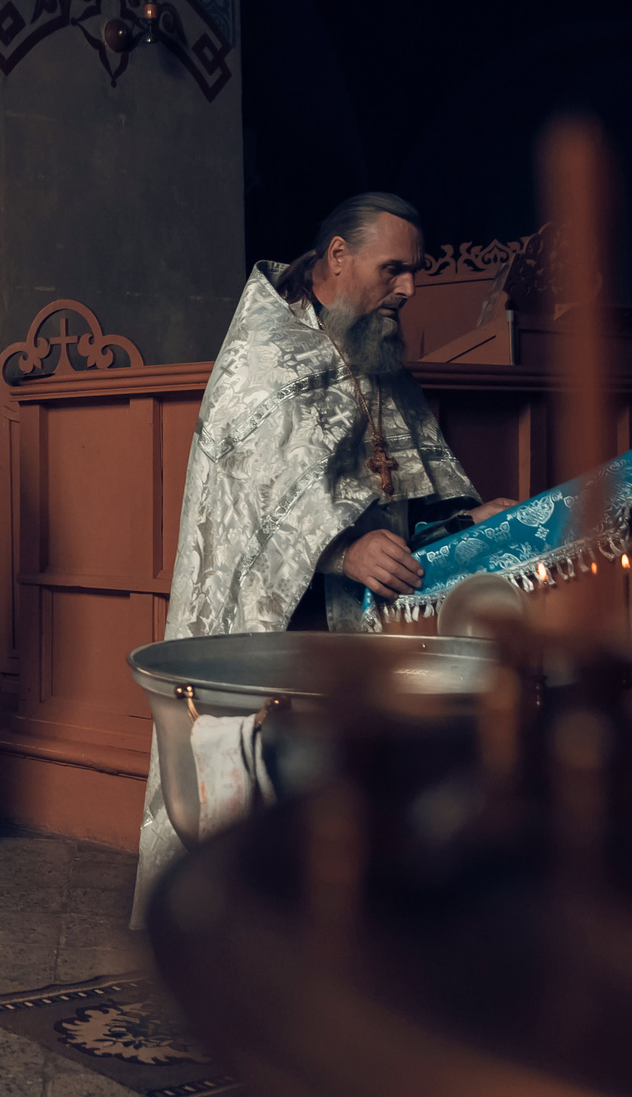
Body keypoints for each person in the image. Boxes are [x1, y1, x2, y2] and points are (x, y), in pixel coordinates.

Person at [133, 192, 516, 923]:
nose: (407, 288)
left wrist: (467, 518)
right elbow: (245, 514)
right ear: (338, 255)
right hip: (276, 632)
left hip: (364, 634)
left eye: (414, 272)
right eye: (394, 269)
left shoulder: (370, 344)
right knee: (274, 828)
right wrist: (341, 550)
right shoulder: (263, 358)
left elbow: (401, 483)